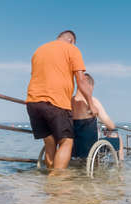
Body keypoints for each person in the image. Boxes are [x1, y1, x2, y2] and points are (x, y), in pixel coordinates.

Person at [26, 30, 98, 169]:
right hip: (56, 102)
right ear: (71, 41)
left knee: (50, 143)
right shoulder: (72, 49)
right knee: (66, 142)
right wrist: (91, 104)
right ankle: (58, 182)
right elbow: (81, 81)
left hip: (33, 102)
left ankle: (51, 183)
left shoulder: (39, 50)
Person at [71, 73, 124, 161]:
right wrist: (109, 130)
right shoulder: (93, 102)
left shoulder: (69, 101)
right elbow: (110, 125)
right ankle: (121, 166)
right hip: (91, 147)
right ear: (89, 86)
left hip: (73, 147)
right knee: (118, 136)